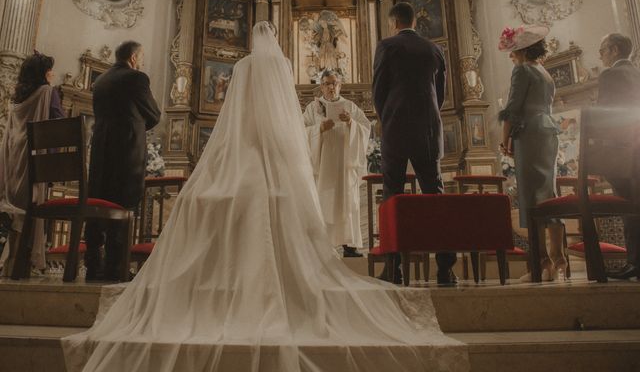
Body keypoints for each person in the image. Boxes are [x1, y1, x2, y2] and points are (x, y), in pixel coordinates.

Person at [62, 22, 468, 372]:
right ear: (275, 40)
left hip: (240, 152)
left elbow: (236, 117)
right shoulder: (280, 65)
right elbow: (288, 122)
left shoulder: (241, 67)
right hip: (275, 152)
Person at [372, 2, 454, 285]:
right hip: (428, 130)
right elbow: (440, 94)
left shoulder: (387, 46)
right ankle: (445, 269)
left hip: (396, 129)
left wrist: (389, 118)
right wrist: (427, 118)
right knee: (435, 195)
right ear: (413, 21)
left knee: (392, 196)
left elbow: (378, 91)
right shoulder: (434, 49)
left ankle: (393, 268)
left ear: (393, 22)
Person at [85, 41, 160, 281]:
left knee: (99, 206)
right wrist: (135, 124)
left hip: (100, 151)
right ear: (134, 57)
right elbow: (154, 114)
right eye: (142, 56)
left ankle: (93, 265)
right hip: (126, 151)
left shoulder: (100, 81)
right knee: (123, 206)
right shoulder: (136, 78)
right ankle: (116, 268)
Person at [498, 25, 565, 281]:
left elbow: (513, 108)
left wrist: (504, 140)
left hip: (529, 133)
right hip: (548, 132)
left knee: (529, 196)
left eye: (513, 50)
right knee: (548, 193)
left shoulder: (522, 69)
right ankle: (558, 259)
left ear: (523, 50)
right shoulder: (545, 72)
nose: (510, 55)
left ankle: (540, 263)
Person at [0, 51, 64, 276]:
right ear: (44, 73)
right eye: (50, 70)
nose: (53, 74)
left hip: (12, 163)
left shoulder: (17, 99)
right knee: (34, 208)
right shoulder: (48, 92)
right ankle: (25, 262)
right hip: (35, 164)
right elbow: (59, 127)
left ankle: (12, 264)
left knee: (18, 212)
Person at [303, 69, 371, 257]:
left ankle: (349, 245)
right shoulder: (312, 108)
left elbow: (366, 128)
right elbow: (300, 132)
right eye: (326, 83)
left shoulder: (350, 106)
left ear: (340, 85)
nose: (331, 87)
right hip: (322, 164)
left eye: (334, 83)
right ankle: (321, 245)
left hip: (344, 164)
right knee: (323, 201)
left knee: (347, 202)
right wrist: (319, 129)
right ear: (321, 87)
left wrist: (351, 123)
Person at [597, 33, 640, 280]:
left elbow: (602, 119)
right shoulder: (636, 73)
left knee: (629, 207)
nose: (600, 55)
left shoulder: (611, 75)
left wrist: (599, 157)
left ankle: (634, 262)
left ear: (613, 50)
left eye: (602, 50)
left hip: (623, 154)